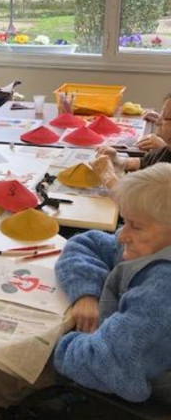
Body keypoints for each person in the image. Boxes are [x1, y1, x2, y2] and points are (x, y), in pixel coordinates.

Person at [53, 163, 171, 402]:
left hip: (110, 395)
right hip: (104, 354)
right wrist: (86, 294)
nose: (122, 235)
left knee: (3, 368)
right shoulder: (151, 247)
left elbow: (107, 364)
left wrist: (51, 346)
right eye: (125, 222)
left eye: (136, 226)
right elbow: (85, 244)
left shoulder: (160, 293)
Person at [93, 93, 171, 189]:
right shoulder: (166, 149)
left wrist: (107, 175)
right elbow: (144, 162)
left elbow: (132, 200)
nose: (158, 121)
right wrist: (119, 162)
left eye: (165, 117)